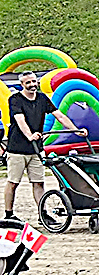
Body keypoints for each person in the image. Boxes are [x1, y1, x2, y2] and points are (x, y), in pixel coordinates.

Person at [5, 72, 74, 217]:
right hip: (17, 148)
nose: (32, 85)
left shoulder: (42, 98)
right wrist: (30, 135)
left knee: (38, 182)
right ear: (22, 85)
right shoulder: (15, 99)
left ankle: (43, 213)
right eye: (28, 83)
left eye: (33, 81)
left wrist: (76, 130)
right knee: (13, 182)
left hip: (36, 148)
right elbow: (20, 119)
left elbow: (59, 115)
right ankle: (8, 213)